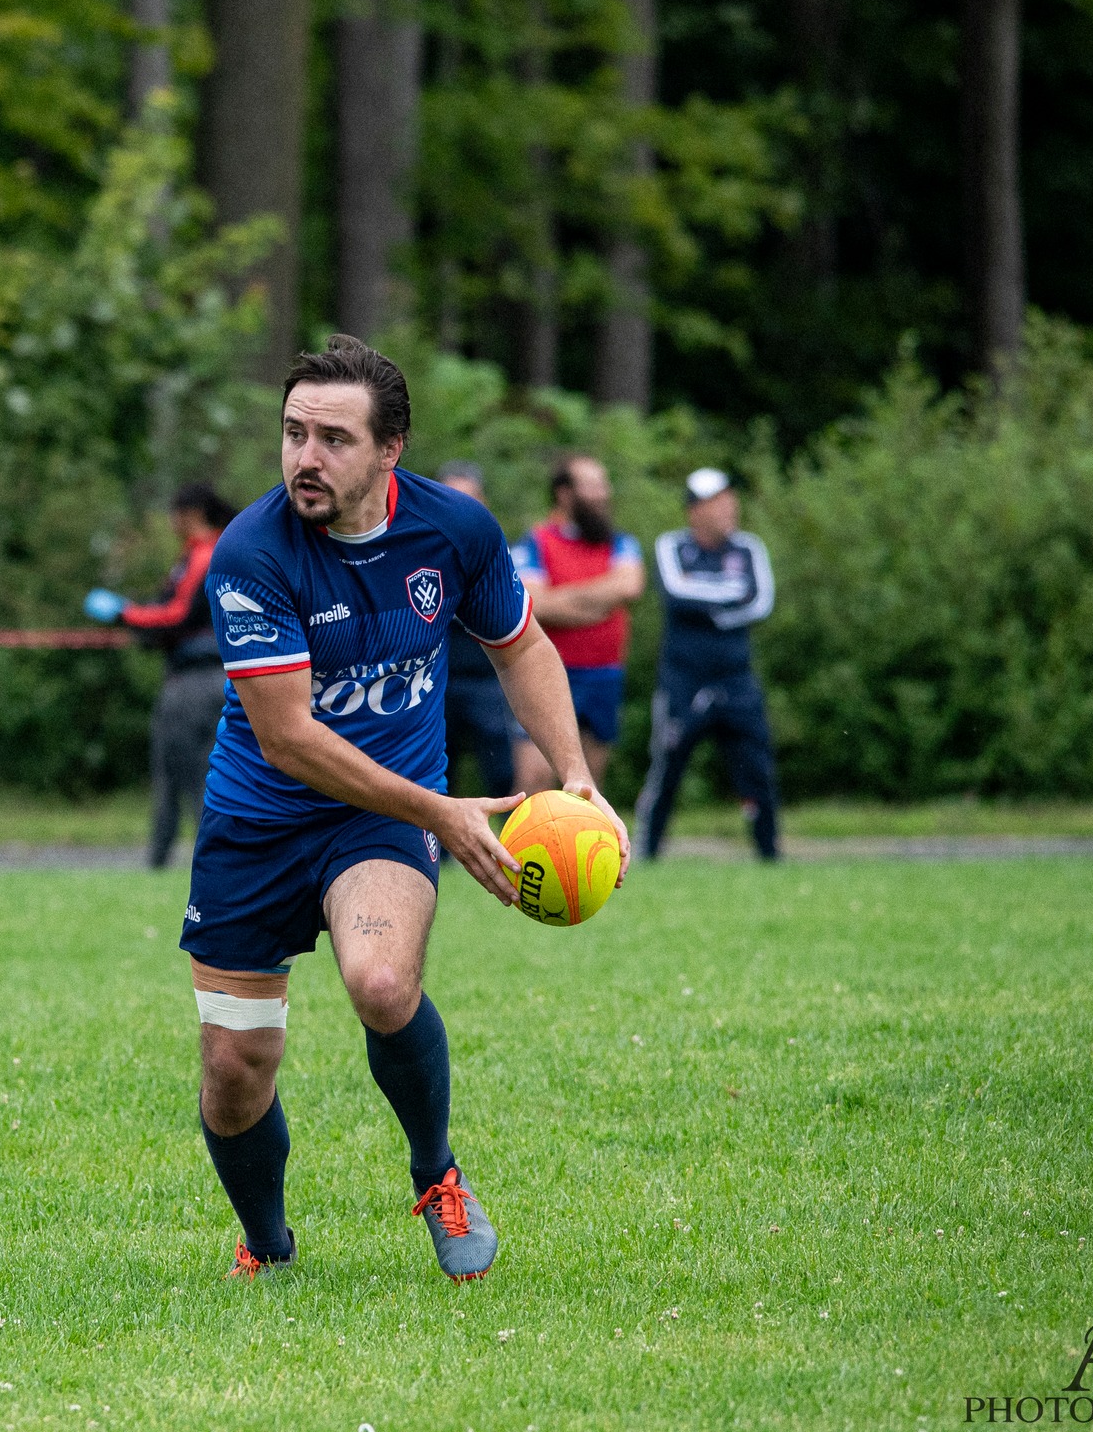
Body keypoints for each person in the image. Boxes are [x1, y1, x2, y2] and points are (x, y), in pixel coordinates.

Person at [184, 334, 631, 1283]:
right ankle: (267, 1242)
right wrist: (444, 811)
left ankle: (437, 1175)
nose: (306, 456)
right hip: (258, 819)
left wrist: (576, 775)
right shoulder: (251, 552)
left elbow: (519, 645)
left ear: (391, 449)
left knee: (383, 984)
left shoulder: (454, 532)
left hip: (377, 817)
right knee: (234, 1069)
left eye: (334, 438)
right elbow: (289, 737)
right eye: (293, 432)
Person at [83, 482, 237, 868]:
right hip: (201, 678)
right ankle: (162, 859)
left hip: (197, 680)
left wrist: (125, 614)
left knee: (191, 774)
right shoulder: (202, 553)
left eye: (175, 513)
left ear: (192, 514)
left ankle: (213, 861)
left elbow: (178, 615)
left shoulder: (206, 554)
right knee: (178, 769)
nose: (171, 522)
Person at [634, 467, 780, 861]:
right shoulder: (672, 546)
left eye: (730, 500)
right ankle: (647, 852)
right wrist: (728, 597)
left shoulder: (748, 548)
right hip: (683, 681)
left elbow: (760, 602)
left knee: (756, 767)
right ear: (694, 510)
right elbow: (677, 592)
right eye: (717, 502)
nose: (728, 509)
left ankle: (769, 853)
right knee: (668, 767)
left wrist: (713, 606)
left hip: (737, 680)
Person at [509, 455, 645, 793]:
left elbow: (629, 586)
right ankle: (514, 847)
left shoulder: (621, 542)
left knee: (588, 785)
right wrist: (600, 603)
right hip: (546, 672)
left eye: (604, 484)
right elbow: (535, 604)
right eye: (592, 486)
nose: (603, 493)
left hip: (603, 675)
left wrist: (564, 601)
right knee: (534, 782)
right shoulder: (536, 542)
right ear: (564, 494)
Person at [432, 463, 515, 798]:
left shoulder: (493, 550)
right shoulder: (415, 551)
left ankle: (513, 842)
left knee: (502, 770)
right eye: (452, 499)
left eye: (469, 500)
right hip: (435, 678)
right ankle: (438, 847)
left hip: (486, 677)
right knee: (438, 770)